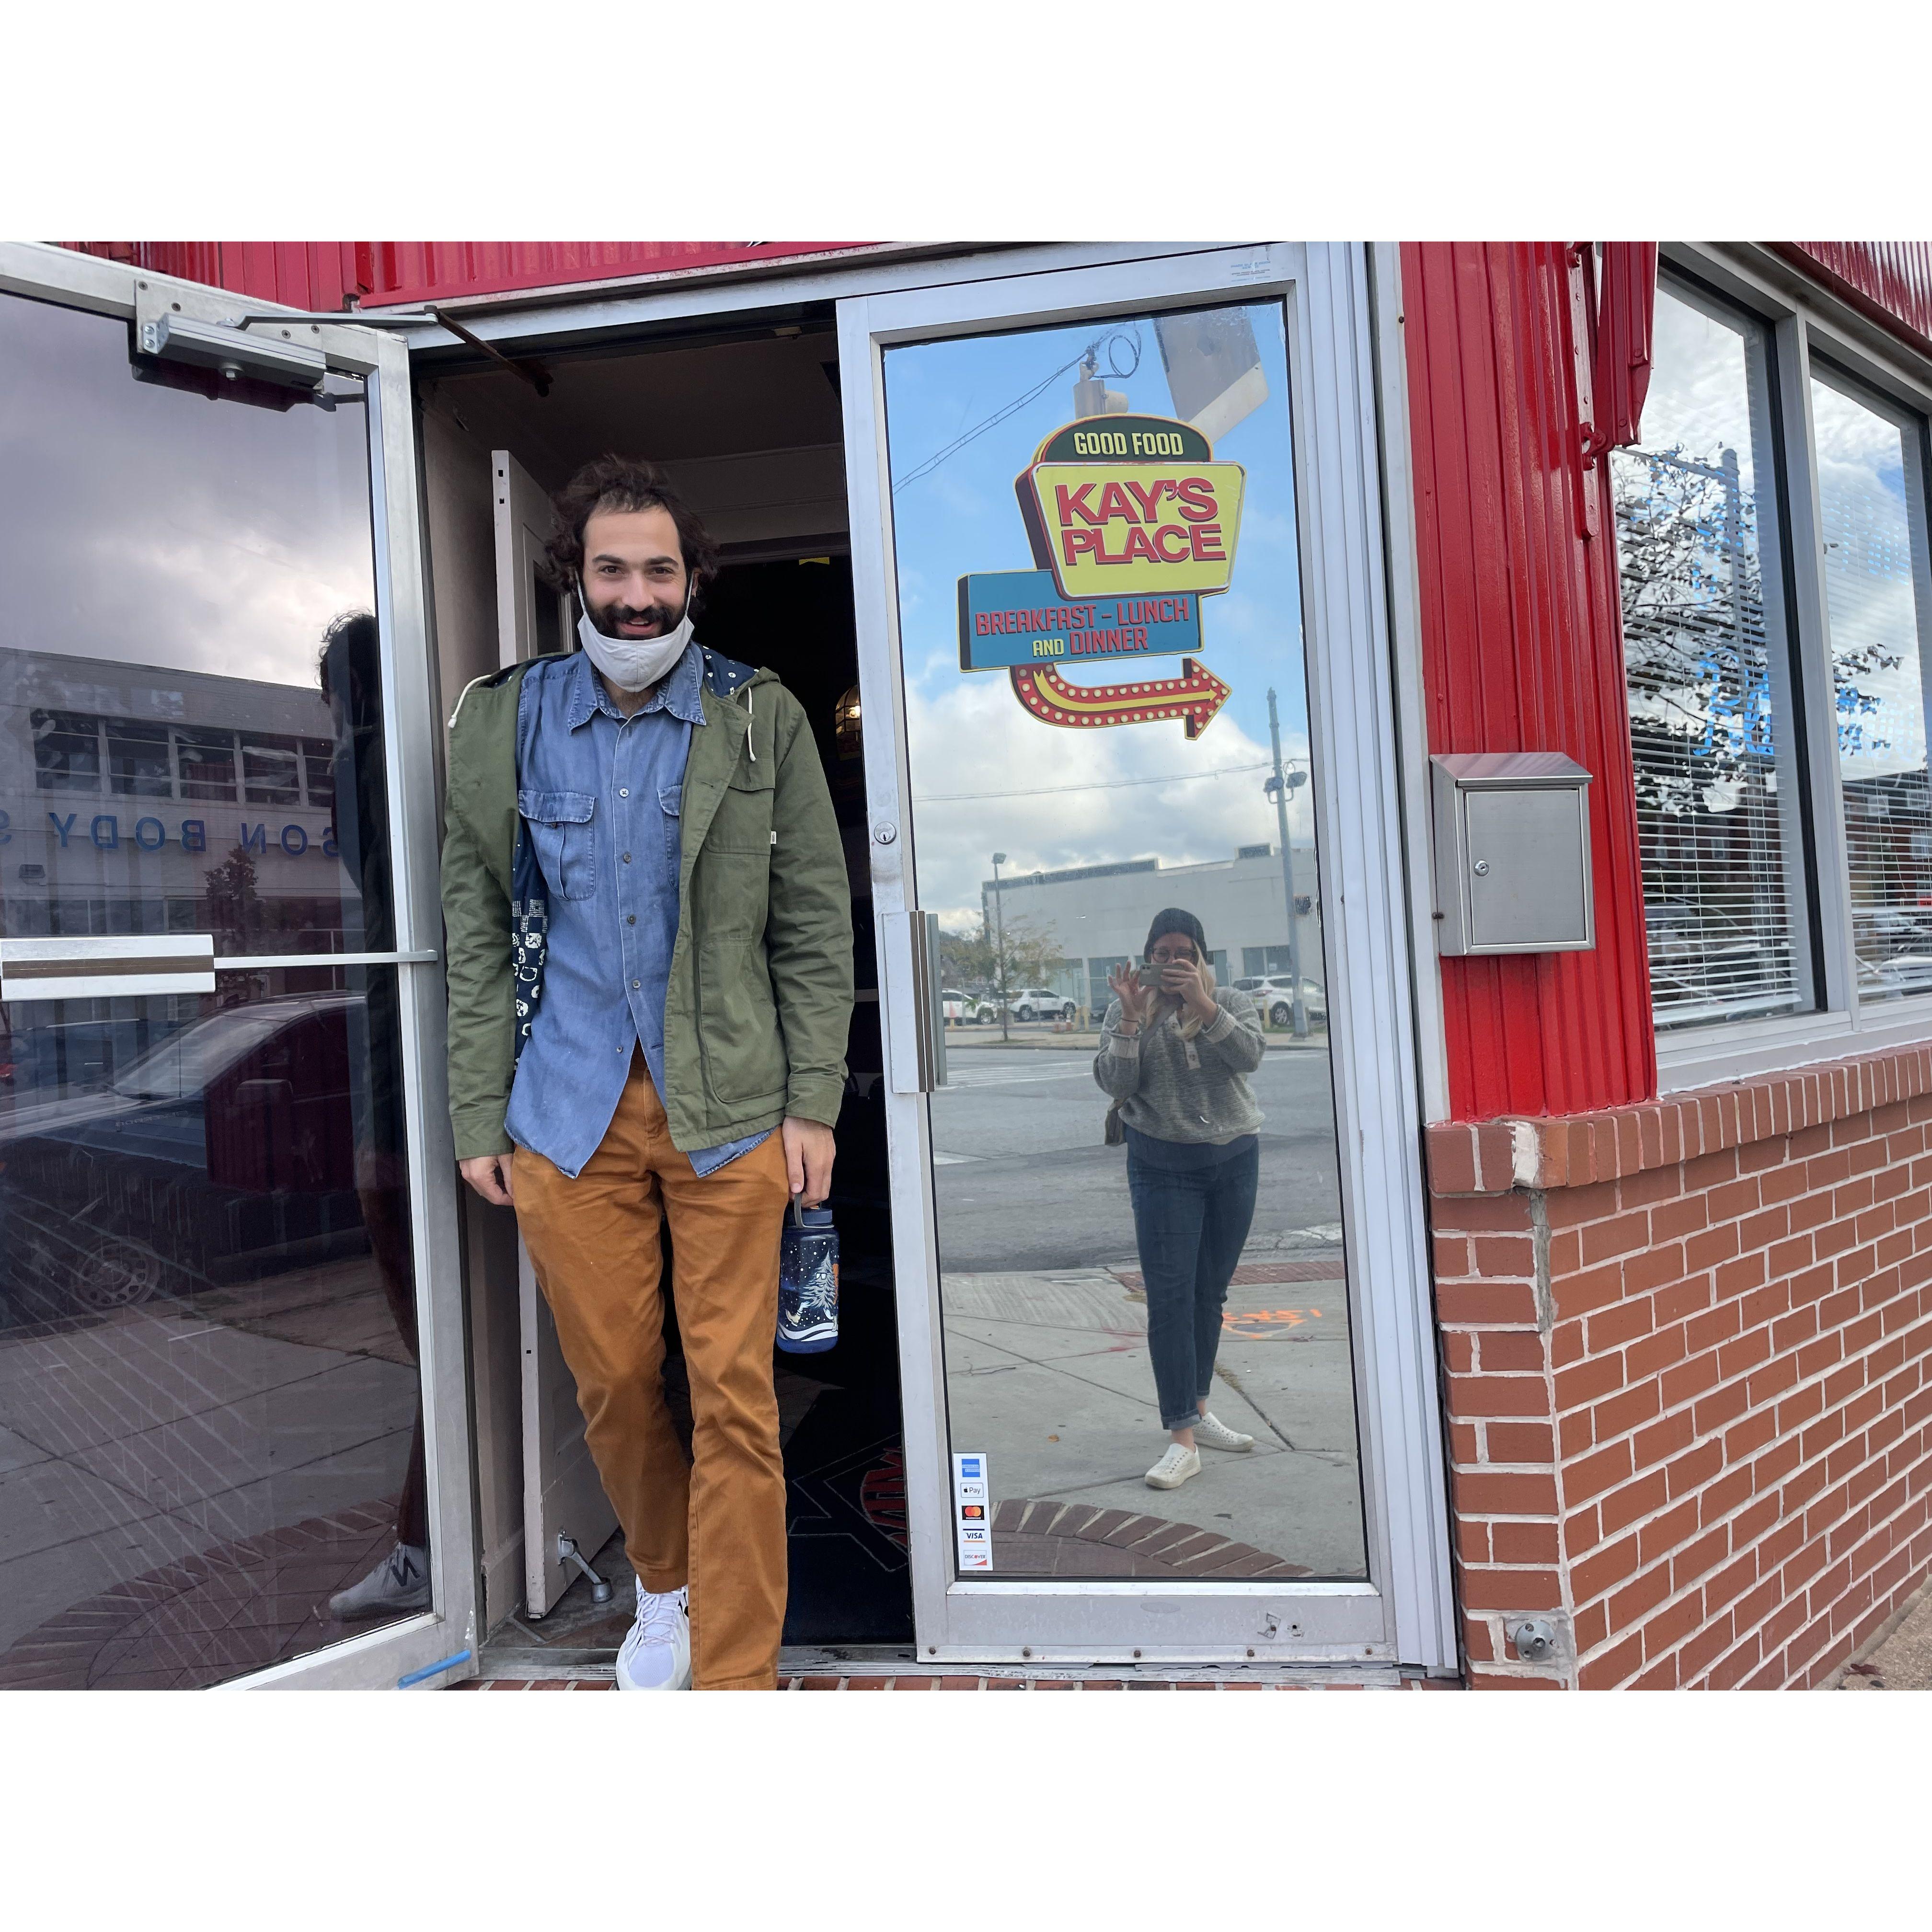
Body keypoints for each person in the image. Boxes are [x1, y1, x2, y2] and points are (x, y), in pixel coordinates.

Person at [440, 455, 853, 1690]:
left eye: (658, 570)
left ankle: (734, 1679)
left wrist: (813, 1104)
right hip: (565, 1110)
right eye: (612, 568)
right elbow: (474, 926)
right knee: (616, 1381)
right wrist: (478, 1110)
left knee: (734, 1391)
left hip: (727, 1108)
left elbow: (814, 924)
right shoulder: (504, 720)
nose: (634, 595)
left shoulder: (759, 713)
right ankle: (663, 1588)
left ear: (692, 581)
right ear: (577, 574)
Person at [1096, 908, 1266, 1492]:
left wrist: (1204, 1004)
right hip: (1162, 1165)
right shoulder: (1131, 1007)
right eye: (1162, 954)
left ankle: (1198, 1406)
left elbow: (1248, 1057)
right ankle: (1182, 1438)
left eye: (1183, 954)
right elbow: (1116, 1085)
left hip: (1233, 1161)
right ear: (1148, 957)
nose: (1171, 964)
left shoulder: (1232, 1002)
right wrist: (1127, 1018)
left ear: (1201, 958)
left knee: (1208, 1293)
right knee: (1170, 1299)